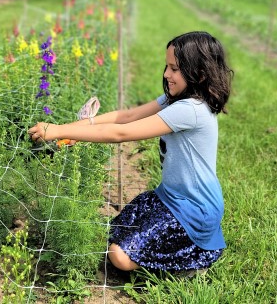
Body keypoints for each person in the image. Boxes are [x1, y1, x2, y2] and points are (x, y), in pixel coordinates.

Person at [28, 31, 234, 273]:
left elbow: (121, 133)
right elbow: (127, 116)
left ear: (198, 74)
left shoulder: (191, 110)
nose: (167, 74)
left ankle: (194, 260)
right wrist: (69, 131)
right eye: (167, 67)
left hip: (195, 210)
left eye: (175, 69)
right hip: (170, 197)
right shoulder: (179, 99)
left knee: (119, 257)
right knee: (117, 231)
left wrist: (55, 130)